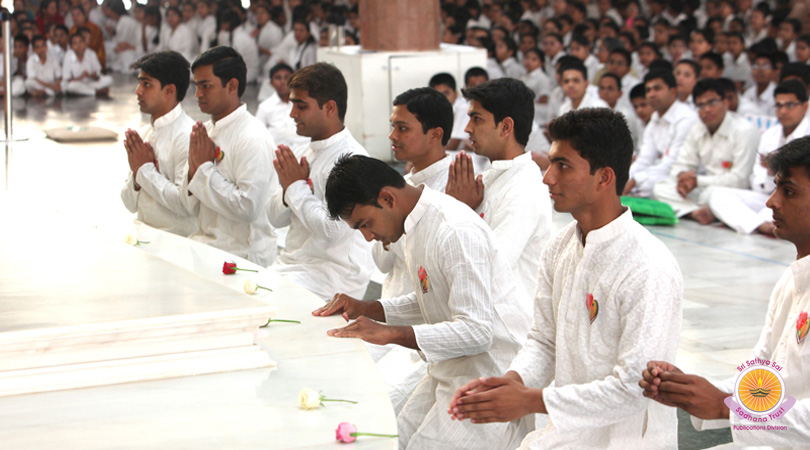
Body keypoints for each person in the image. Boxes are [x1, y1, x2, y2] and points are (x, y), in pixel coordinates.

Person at [448, 108, 683, 448]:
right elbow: (544, 342)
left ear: (604, 178)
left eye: (563, 166)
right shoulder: (561, 247)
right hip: (567, 429)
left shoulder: (648, 266)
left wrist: (530, 400)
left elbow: (634, 388)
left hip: (625, 440)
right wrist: (510, 383)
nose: (548, 178)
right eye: (551, 163)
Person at [315, 155, 532, 450]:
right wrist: (370, 308)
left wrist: (391, 334)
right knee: (393, 436)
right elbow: (431, 299)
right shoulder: (416, 224)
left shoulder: (453, 229)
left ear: (387, 198)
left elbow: (478, 331)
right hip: (452, 366)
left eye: (365, 224)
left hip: (491, 373)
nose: (368, 237)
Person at [640, 136, 810, 448]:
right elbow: (762, 377)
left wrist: (723, 406)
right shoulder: (793, 279)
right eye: (774, 188)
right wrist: (691, 390)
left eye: (788, 192)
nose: (771, 201)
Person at [267, 62, 374, 299]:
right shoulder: (304, 152)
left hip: (332, 279)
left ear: (329, 108)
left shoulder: (352, 159)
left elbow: (334, 230)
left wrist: (295, 187)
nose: (292, 114)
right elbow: (274, 219)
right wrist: (288, 192)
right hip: (294, 266)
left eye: (301, 106)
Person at [447, 77, 552, 306]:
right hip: (481, 314)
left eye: (477, 119)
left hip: (510, 330)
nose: (467, 128)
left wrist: (460, 211)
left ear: (505, 127)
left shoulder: (524, 187)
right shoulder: (488, 178)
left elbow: (489, 269)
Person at [184, 46, 277, 266]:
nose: (198, 94)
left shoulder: (252, 137)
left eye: (205, 86)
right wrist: (191, 171)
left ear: (232, 86)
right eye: (196, 86)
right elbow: (188, 207)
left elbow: (248, 207)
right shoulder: (204, 132)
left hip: (242, 255)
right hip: (205, 244)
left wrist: (204, 169)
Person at [707, 80, 810, 235]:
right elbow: (757, 183)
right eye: (779, 105)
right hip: (769, 196)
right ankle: (761, 226)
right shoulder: (770, 135)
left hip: (797, 200)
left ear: (804, 107)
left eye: (789, 105)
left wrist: (776, 170)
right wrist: (771, 174)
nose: (783, 111)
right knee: (717, 195)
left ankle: (760, 222)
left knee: (771, 211)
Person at [652, 78, 760, 221]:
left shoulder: (744, 131)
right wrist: (683, 179)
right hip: (705, 189)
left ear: (725, 103)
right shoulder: (697, 129)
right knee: (661, 187)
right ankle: (697, 213)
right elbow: (681, 164)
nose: (707, 109)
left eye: (712, 103)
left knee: (716, 195)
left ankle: (700, 210)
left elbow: (741, 180)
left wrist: (697, 181)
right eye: (701, 105)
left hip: (733, 192)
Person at [120, 51, 197, 237]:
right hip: (143, 235)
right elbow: (129, 204)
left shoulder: (187, 137)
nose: (138, 91)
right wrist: (138, 174)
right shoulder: (145, 134)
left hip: (177, 245)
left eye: (146, 84)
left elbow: (185, 205)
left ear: (169, 90)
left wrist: (145, 170)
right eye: (139, 83)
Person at [625, 70, 698, 197]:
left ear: (673, 91)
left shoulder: (685, 118)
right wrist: (625, 179)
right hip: (657, 173)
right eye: (648, 90)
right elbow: (645, 159)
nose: (651, 94)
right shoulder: (655, 119)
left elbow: (672, 164)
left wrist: (636, 180)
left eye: (657, 88)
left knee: (653, 187)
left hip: (683, 176)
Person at [255, 63, 309, 149]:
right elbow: (257, 134)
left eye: (287, 77)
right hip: (278, 154)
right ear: (271, 83)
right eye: (278, 78)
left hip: (305, 150)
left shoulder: (304, 103)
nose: (283, 82)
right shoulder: (265, 107)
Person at [61, 31, 111, 96]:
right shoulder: (68, 55)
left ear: (85, 43)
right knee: (70, 86)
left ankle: (86, 91)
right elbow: (67, 78)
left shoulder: (91, 53)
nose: (79, 45)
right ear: (71, 47)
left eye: (81, 42)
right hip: (76, 83)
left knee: (108, 79)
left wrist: (91, 75)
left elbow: (98, 74)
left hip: (90, 82)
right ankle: (95, 92)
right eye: (75, 43)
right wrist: (81, 77)